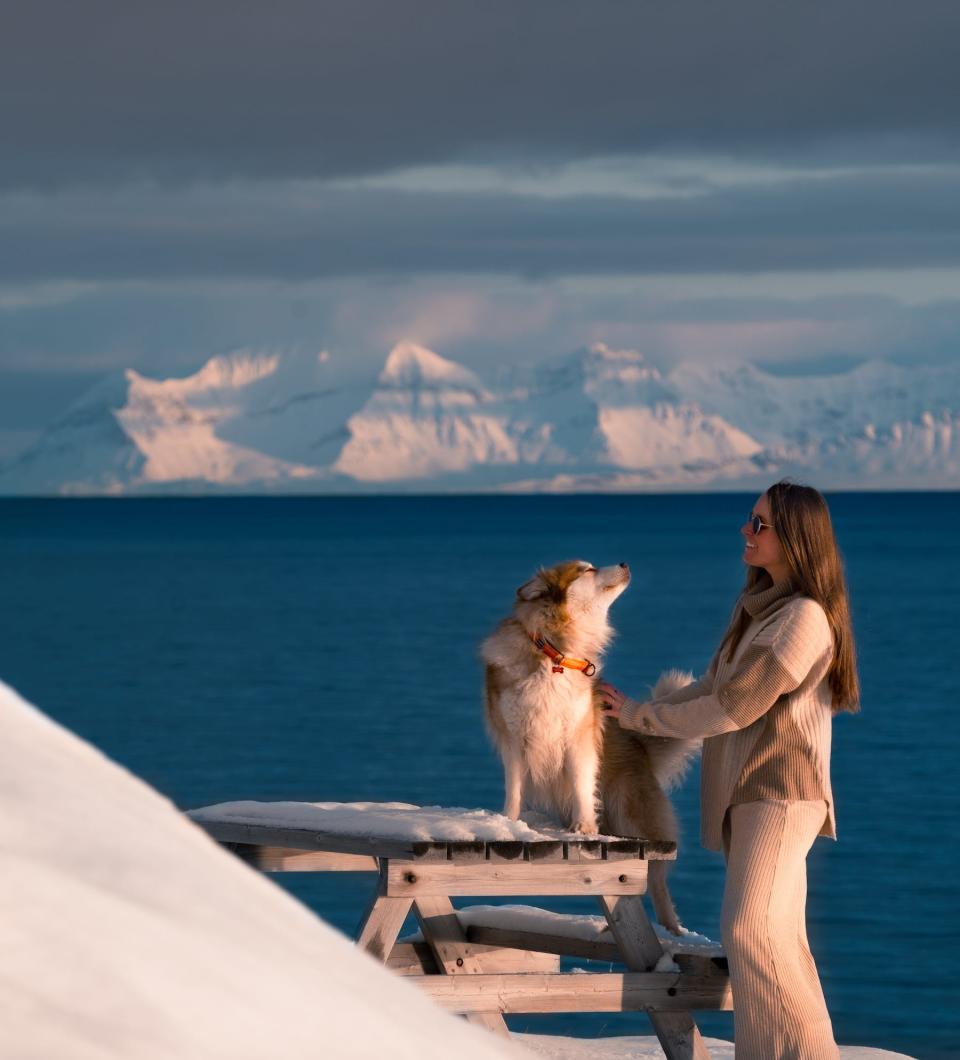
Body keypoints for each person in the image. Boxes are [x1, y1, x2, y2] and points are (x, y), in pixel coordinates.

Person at [599, 480, 859, 1060]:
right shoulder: (759, 614)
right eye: (751, 519)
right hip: (754, 795)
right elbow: (713, 687)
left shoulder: (803, 619)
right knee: (778, 940)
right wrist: (637, 716)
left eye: (760, 524)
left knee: (750, 930)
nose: (746, 530)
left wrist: (644, 716)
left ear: (795, 538)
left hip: (782, 794)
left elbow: (737, 706)